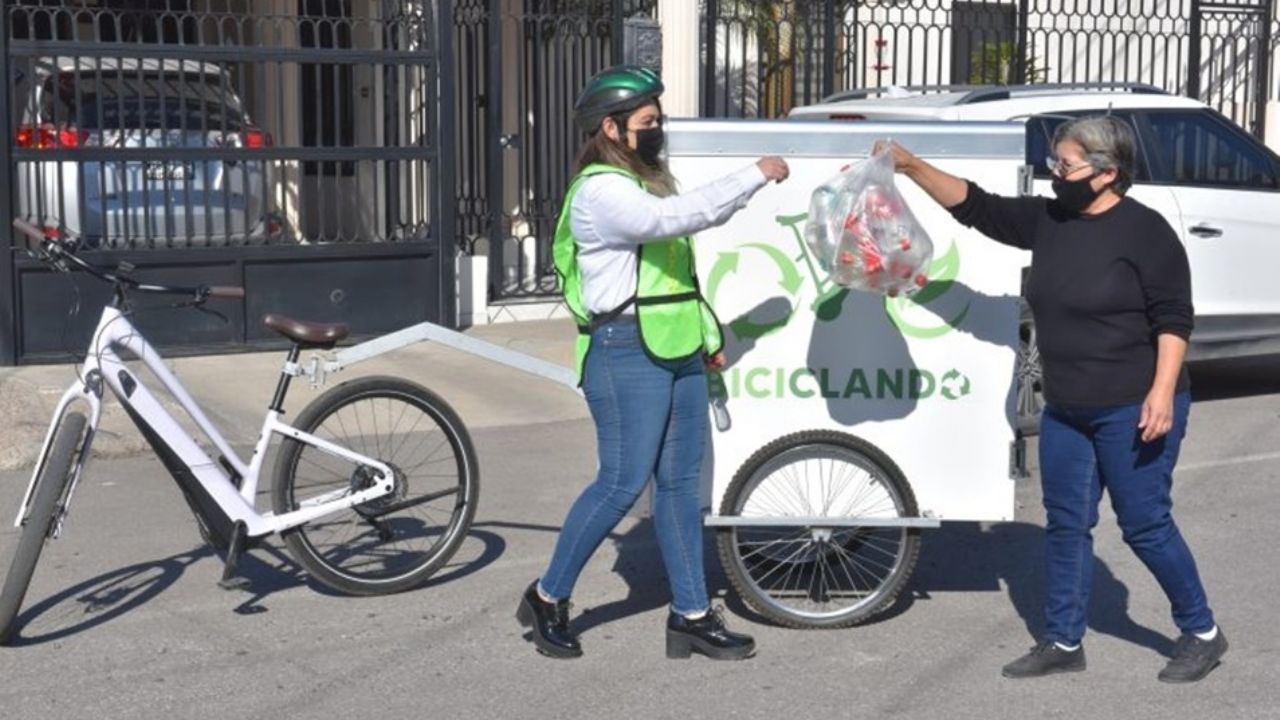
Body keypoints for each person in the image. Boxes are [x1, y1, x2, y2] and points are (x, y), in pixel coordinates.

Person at [878, 116, 1226, 683]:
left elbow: (1173, 317)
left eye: (1065, 165)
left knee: (1144, 524)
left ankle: (1202, 631)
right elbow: (979, 208)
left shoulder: (1145, 231)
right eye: (1054, 163)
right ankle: (1065, 641)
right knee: (1066, 524)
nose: (1054, 175)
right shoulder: (1052, 220)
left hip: (1133, 404)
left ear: (1107, 173)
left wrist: (1162, 392)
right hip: (1068, 408)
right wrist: (912, 166)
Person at [516, 65, 789, 661]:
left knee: (680, 488)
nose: (657, 129)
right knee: (620, 484)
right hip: (624, 351)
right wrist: (753, 175)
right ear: (611, 128)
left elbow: (676, 274)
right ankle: (547, 595)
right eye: (648, 121)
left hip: (677, 346)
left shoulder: (645, 182)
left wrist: (706, 332)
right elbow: (673, 222)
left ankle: (690, 614)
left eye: (658, 120)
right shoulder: (601, 191)